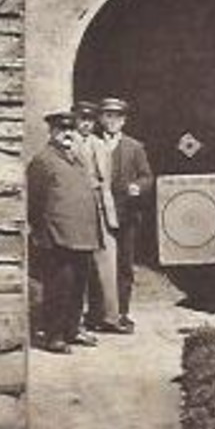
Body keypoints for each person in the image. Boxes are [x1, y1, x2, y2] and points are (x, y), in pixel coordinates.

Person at [25, 111, 105, 353]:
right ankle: (53, 335)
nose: (68, 134)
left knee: (78, 285)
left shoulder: (76, 158)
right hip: (57, 236)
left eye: (70, 129)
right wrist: (42, 231)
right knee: (59, 286)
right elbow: (34, 202)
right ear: (51, 132)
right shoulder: (43, 161)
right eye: (61, 130)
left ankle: (72, 329)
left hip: (82, 235)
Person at [72, 99, 127, 335]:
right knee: (78, 263)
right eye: (81, 120)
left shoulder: (99, 144)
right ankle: (77, 321)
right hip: (78, 207)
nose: (85, 124)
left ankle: (110, 317)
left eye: (90, 120)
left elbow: (107, 180)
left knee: (107, 262)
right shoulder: (68, 143)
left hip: (103, 208)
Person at [97, 97, 153, 331]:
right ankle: (99, 313)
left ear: (124, 121)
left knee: (124, 265)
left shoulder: (134, 147)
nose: (112, 122)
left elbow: (147, 176)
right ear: (101, 119)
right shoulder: (93, 143)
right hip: (99, 214)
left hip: (127, 214)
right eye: (107, 116)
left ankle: (122, 312)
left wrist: (138, 187)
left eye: (117, 117)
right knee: (99, 264)